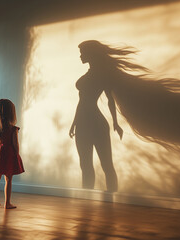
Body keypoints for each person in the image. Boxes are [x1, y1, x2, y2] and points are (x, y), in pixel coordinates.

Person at [69, 41, 123, 192]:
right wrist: (74, 123)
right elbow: (82, 101)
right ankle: (86, 198)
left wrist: (115, 123)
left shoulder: (101, 74)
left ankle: (112, 196)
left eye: (82, 52)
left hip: (96, 123)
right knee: (85, 165)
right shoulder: (90, 74)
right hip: (82, 124)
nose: (80, 56)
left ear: (91, 54)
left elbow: (110, 99)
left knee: (106, 164)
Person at [0, 99, 25, 209]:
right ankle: (7, 203)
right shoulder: (13, 129)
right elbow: (15, 144)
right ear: (11, 113)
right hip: (9, 155)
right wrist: (16, 155)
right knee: (8, 179)